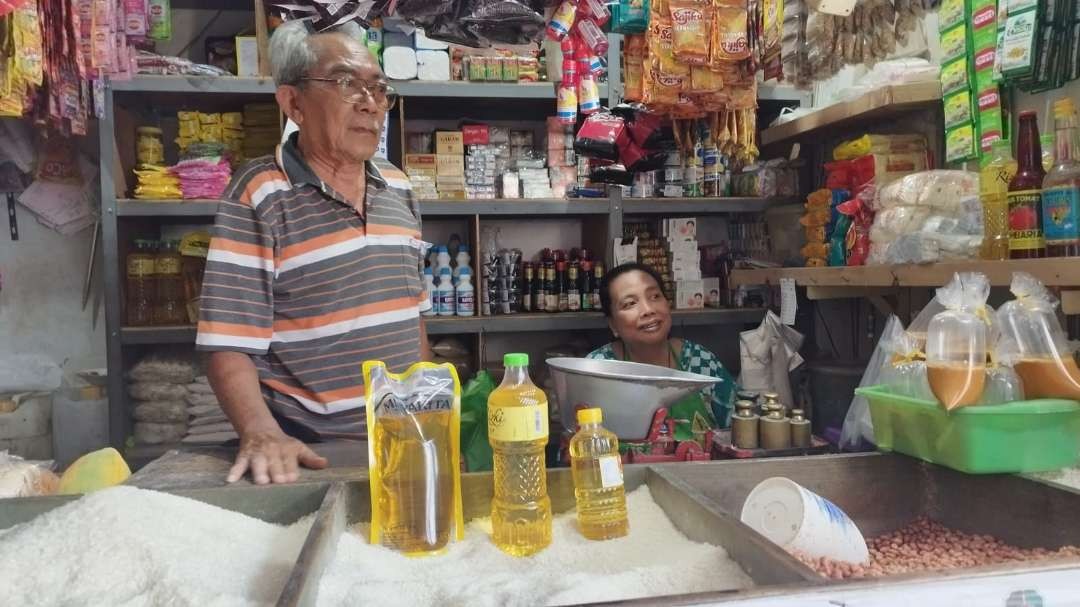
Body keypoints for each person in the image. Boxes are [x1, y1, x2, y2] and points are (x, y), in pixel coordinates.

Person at [196, 19, 431, 485]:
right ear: (293, 102)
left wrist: (428, 417)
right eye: (347, 83)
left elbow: (410, 317)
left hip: (401, 441)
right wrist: (261, 432)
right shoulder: (261, 192)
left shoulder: (398, 184)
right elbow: (227, 340)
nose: (370, 103)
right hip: (311, 454)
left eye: (379, 89)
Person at [587, 263, 738, 434]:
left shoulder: (699, 362)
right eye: (630, 303)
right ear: (613, 324)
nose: (648, 310)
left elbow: (740, 433)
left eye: (655, 296)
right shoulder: (597, 370)